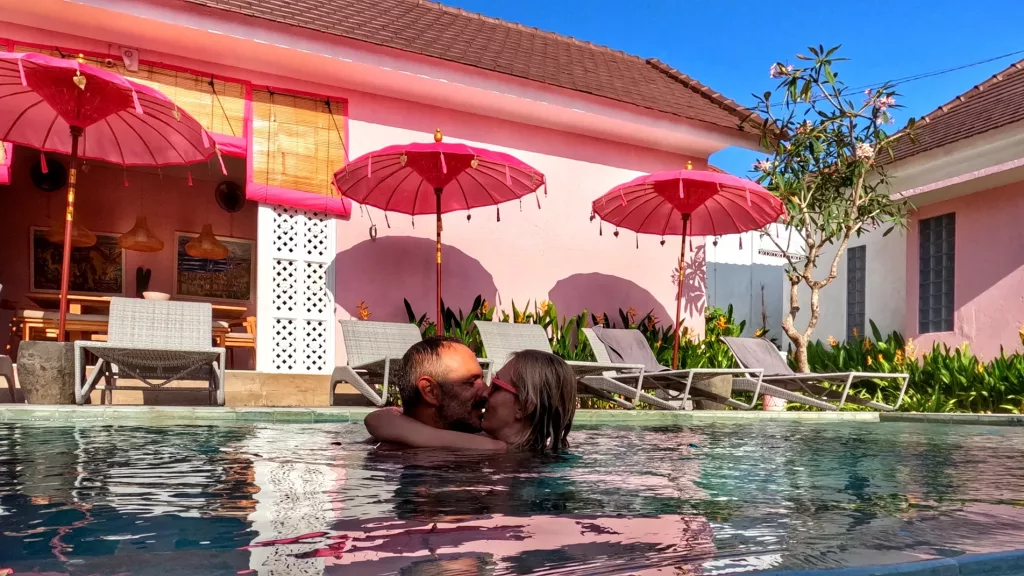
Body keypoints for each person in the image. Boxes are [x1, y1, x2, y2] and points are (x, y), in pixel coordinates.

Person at [364, 348, 577, 453]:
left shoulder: (491, 449)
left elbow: (379, 421)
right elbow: (382, 419)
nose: (485, 392)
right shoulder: (526, 448)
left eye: (495, 385)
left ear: (523, 406)